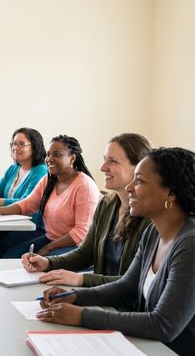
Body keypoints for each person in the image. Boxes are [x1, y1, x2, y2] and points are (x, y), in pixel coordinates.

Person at [37, 147, 195, 356]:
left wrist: (82, 316)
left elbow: (163, 325)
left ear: (170, 192)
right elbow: (126, 287)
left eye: (139, 180)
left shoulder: (190, 244)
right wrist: (74, 296)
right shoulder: (153, 232)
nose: (129, 188)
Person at [22, 133, 152, 288]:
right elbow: (85, 254)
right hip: (102, 295)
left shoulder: (151, 217)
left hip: (121, 305)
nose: (103, 167)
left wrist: (81, 280)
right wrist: (48, 263)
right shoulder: (107, 204)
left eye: (113, 161)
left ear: (139, 168)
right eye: (105, 159)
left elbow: (133, 283)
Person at [0, 135, 101, 258]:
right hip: (51, 239)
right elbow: (28, 204)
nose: (49, 159)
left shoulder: (84, 186)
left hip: (77, 246)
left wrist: (47, 248)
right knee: (11, 256)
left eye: (56, 154)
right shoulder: (49, 180)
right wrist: (0, 211)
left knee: (26, 262)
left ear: (72, 159)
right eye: (48, 154)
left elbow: (81, 233)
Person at [0, 127, 48, 258]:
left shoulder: (40, 171)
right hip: (11, 221)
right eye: (14, 143)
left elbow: (25, 202)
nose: (15, 147)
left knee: (3, 245)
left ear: (35, 147)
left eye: (21, 144)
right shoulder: (15, 167)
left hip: (32, 225)